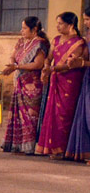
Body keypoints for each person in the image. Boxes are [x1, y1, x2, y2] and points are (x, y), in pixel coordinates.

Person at [35, 12, 87, 157]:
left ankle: (63, 148)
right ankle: (50, 147)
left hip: (70, 81)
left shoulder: (79, 42)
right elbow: (49, 57)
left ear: (70, 25)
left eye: (60, 23)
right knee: (52, 112)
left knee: (65, 113)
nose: (57, 26)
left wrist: (52, 69)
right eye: (57, 23)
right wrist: (46, 66)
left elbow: (71, 65)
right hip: (55, 79)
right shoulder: (56, 40)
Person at [1, 16, 49, 154]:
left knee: (30, 115)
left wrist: (17, 67)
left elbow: (38, 64)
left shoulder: (40, 44)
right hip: (20, 81)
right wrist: (13, 64)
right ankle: (17, 144)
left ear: (34, 30)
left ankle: (29, 146)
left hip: (33, 85)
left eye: (24, 28)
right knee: (18, 115)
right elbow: (13, 56)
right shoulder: (21, 41)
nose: (21, 31)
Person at [63, 7, 90, 163]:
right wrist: (76, 59)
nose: (85, 23)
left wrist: (83, 62)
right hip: (87, 78)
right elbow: (85, 55)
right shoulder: (87, 36)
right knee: (84, 116)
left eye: (87, 19)